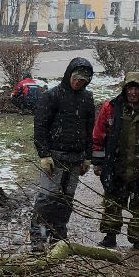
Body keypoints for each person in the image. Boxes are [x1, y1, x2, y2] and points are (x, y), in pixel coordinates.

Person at [31, 57, 97, 246]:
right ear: (69, 75)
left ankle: (59, 238)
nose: (78, 83)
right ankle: (39, 239)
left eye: (83, 80)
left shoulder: (87, 99)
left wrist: (87, 157)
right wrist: (43, 154)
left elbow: (88, 128)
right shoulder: (52, 96)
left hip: (75, 159)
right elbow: (40, 127)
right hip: (54, 157)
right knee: (47, 200)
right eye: (76, 78)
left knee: (66, 200)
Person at [91, 71, 139, 250]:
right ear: (124, 89)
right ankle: (110, 236)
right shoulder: (111, 108)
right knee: (112, 203)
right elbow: (98, 136)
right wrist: (98, 163)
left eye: (137, 89)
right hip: (116, 166)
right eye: (129, 88)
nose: (132, 93)